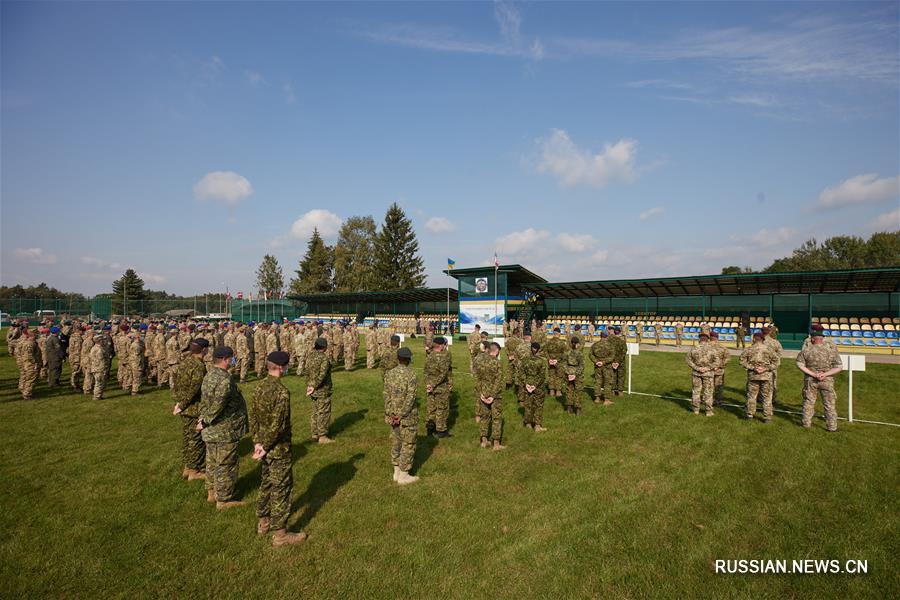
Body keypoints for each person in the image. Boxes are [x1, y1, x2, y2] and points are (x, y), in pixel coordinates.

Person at [251, 351, 308, 546]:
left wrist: (257, 443)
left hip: (263, 446)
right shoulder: (282, 392)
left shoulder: (259, 386)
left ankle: (263, 523)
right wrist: (265, 446)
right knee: (281, 488)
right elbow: (278, 425)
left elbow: (254, 417)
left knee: (266, 483)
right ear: (282, 367)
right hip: (277, 448)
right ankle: (281, 535)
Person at [197, 346, 248, 509]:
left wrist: (203, 420)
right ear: (226, 359)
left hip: (212, 430)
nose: (233, 360)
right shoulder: (225, 379)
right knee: (226, 464)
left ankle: (212, 492)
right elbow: (218, 405)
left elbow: (205, 401)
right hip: (224, 429)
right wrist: (204, 421)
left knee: (212, 461)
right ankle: (224, 499)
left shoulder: (209, 375)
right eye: (232, 358)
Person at [172, 338, 210, 480]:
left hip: (184, 406)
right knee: (196, 440)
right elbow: (195, 388)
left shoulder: (185, 362)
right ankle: (194, 470)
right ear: (204, 350)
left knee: (188, 438)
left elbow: (176, 383)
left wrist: (178, 402)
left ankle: (188, 467)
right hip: (193, 407)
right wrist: (182, 404)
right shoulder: (198, 365)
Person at [383, 347, 419, 485]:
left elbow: (386, 395)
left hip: (393, 415)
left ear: (398, 359)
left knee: (396, 442)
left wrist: (391, 413)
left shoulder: (389, 374)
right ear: (408, 359)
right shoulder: (411, 375)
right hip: (407, 416)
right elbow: (411, 397)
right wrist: (402, 414)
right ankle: (403, 475)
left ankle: (396, 471)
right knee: (408, 443)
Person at [796, 329, 843, 431]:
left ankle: (806, 423)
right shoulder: (831, 351)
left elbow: (799, 364)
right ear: (822, 339)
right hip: (827, 380)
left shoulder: (806, 351)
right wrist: (825, 374)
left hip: (810, 380)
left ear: (813, 339)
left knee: (809, 401)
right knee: (829, 404)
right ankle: (832, 427)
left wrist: (813, 374)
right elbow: (839, 367)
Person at [739, 332, 778, 422]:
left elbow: (742, 361)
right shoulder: (769, 349)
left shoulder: (749, 349)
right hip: (766, 376)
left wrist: (752, 368)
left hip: (753, 376)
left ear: (754, 339)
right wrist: (766, 368)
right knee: (767, 396)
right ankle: (767, 417)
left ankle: (750, 415)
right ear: (763, 339)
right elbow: (776, 362)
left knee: (752, 396)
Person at [474, 342, 504, 449]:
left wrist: (481, 393)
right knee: (496, 418)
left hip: (483, 393)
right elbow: (498, 381)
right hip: (495, 395)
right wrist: (493, 395)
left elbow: (477, 379)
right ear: (496, 351)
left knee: (484, 417)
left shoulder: (480, 362)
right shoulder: (498, 363)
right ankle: (496, 444)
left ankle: (484, 441)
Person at [305, 338, 334, 444]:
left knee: (315, 412)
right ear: (324, 347)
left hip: (312, 389)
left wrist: (309, 385)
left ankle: (315, 434)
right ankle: (322, 436)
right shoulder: (324, 358)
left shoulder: (310, 356)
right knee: (323, 412)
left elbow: (306, 372)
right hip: (322, 389)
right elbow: (322, 375)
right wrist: (314, 386)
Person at [424, 336, 453, 438]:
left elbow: (425, 371)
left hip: (430, 387)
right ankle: (441, 430)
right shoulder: (445, 356)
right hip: (441, 387)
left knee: (431, 409)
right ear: (441, 346)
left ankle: (430, 428)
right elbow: (443, 374)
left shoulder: (429, 355)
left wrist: (428, 384)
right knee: (442, 409)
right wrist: (432, 385)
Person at [685, 333, 717, 416]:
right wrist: (708, 368)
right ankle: (708, 411)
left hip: (696, 373)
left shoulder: (694, 348)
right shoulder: (712, 349)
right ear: (707, 340)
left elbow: (688, 360)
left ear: (699, 339)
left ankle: (696, 410)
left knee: (696, 391)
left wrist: (696, 368)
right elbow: (717, 361)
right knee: (708, 392)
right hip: (708, 374)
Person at [519, 342, 548, 432]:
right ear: (538, 349)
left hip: (527, 384)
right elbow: (542, 375)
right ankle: (537, 426)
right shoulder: (542, 361)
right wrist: (535, 385)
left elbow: (521, 373)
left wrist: (526, 383)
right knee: (538, 405)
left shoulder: (524, 359)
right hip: (538, 386)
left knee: (528, 404)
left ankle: (528, 423)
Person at [590, 330, 615, 405]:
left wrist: (596, 361)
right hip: (607, 366)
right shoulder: (610, 345)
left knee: (598, 381)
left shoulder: (595, 345)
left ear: (600, 336)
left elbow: (590, 355)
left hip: (597, 366)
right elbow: (612, 356)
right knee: (607, 382)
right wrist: (603, 362)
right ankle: (606, 400)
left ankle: (597, 398)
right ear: (607, 336)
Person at [16, 327, 41, 400]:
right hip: (31, 365)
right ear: (33, 335)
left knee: (27, 378)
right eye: (36, 334)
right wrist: (35, 363)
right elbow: (28, 356)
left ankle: (24, 390)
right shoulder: (30, 344)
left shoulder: (30, 342)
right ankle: (27, 394)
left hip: (28, 364)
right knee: (31, 379)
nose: (37, 335)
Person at [564, 336, 585, 415]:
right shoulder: (580, 354)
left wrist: (568, 372)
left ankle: (569, 408)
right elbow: (581, 365)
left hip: (569, 372)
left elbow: (564, 364)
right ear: (578, 344)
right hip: (577, 374)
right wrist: (575, 374)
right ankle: (578, 410)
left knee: (569, 390)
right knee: (578, 391)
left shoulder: (567, 353)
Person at [543, 328, 567, 398]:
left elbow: (545, 351)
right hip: (559, 362)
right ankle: (558, 391)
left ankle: (551, 391)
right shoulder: (562, 343)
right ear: (559, 333)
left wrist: (549, 359)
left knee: (551, 375)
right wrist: (557, 360)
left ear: (553, 333)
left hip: (550, 362)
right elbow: (565, 353)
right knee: (559, 376)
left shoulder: (548, 342)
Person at [710, 331, 730, 406]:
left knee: (708, 386)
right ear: (717, 338)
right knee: (718, 386)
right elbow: (727, 358)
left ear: (710, 337)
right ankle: (718, 401)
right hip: (719, 370)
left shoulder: (705, 346)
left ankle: (707, 400)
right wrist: (719, 366)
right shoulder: (722, 347)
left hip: (708, 370)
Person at [88, 331, 109, 400]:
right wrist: (105, 367)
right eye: (102, 340)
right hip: (99, 368)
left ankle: (98, 395)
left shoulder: (94, 348)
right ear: (99, 341)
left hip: (95, 367)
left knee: (98, 382)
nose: (103, 341)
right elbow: (101, 360)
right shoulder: (99, 349)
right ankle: (97, 396)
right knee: (99, 383)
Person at [610, 326, 628, 396]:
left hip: (612, 361)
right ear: (620, 332)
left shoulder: (610, 340)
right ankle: (620, 391)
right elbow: (624, 352)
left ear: (614, 332)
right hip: (621, 362)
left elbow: (608, 351)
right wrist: (618, 362)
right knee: (621, 376)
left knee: (613, 375)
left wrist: (613, 361)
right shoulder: (622, 341)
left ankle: (612, 390)